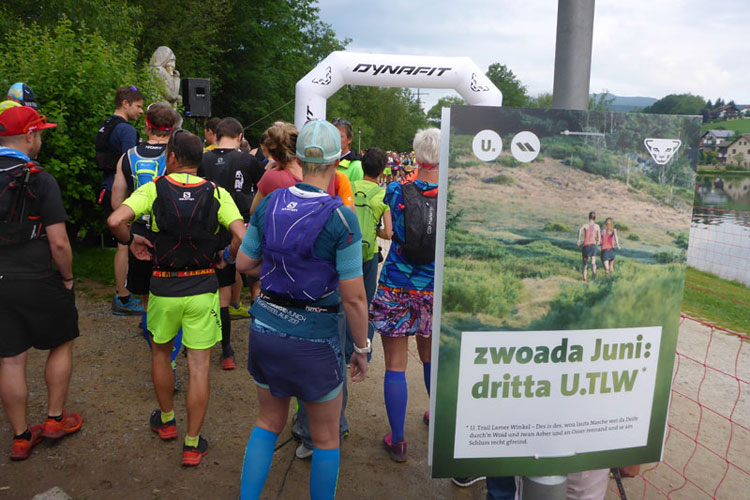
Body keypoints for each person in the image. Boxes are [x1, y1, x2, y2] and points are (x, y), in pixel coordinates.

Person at [236, 119, 369, 500]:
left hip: (266, 328)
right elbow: (354, 299)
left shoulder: (271, 202)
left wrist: (279, 265)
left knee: (267, 422)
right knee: (326, 438)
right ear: (337, 160)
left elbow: (244, 263)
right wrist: (361, 348)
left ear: (298, 157)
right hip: (315, 339)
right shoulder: (341, 218)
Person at [108, 129, 245, 466]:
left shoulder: (154, 188)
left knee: (161, 352)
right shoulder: (216, 192)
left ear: (171, 157)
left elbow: (115, 220)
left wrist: (131, 241)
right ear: (200, 159)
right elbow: (242, 234)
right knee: (199, 367)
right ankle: (192, 444)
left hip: (164, 286)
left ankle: (167, 421)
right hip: (203, 287)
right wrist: (226, 255)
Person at [0, 106, 82, 460]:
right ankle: (54, 419)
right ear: (29, 136)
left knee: (10, 359)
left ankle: (20, 437)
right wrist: (68, 277)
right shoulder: (41, 178)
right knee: (61, 342)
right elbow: (59, 243)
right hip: (39, 274)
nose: (41, 140)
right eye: (41, 133)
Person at [370, 128, 440, 463]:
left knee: (395, 365)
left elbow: (391, 230)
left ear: (416, 154)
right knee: (430, 357)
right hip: (433, 286)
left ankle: (398, 440)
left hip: (396, 283)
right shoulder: (452, 196)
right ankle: (436, 417)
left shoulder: (396, 189)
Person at [110, 102, 183, 371]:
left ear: (146, 126)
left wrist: (129, 228)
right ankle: (168, 359)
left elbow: (117, 201)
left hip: (139, 230)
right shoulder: (177, 156)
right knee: (174, 294)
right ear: (172, 128)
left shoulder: (127, 156)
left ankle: (156, 351)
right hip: (170, 231)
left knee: (147, 299)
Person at [198, 117, 265, 366]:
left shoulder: (203, 159)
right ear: (240, 137)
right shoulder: (247, 160)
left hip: (209, 229)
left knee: (210, 291)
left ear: (215, 136)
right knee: (249, 287)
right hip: (241, 228)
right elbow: (263, 190)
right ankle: (237, 350)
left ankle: (210, 347)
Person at [95, 86, 145, 315]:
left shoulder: (106, 125)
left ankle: (123, 293)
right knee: (125, 244)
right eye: (138, 106)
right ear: (125, 103)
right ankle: (123, 296)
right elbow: (131, 163)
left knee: (122, 244)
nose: (141, 111)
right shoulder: (126, 130)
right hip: (120, 191)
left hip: (106, 188)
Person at [347, 147, 392, 362]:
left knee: (347, 299)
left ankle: (345, 350)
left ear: (362, 166)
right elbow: (389, 233)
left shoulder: (349, 187)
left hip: (348, 249)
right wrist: (375, 231)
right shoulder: (383, 195)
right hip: (369, 252)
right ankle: (364, 350)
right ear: (382, 170)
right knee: (365, 301)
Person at [331, 118, 363, 183]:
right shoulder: (324, 164)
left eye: (339, 136)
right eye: (332, 135)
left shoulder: (357, 167)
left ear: (349, 139)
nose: (334, 139)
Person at [576, 211, 601, 282]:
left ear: (589, 217)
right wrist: (598, 241)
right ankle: (594, 276)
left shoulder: (585, 225)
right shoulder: (597, 226)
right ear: (595, 218)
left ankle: (584, 279)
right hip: (593, 245)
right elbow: (599, 237)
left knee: (585, 264)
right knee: (593, 262)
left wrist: (578, 240)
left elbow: (580, 230)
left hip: (586, 245)